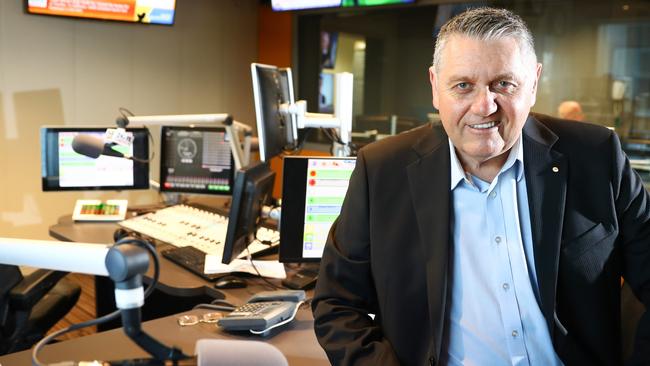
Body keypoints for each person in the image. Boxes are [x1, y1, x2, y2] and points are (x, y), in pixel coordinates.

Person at [312, 7, 650, 366]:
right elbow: (336, 303)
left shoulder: (595, 156)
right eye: (463, 86)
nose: (484, 106)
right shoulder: (381, 170)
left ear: (533, 83)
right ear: (434, 87)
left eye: (504, 84)